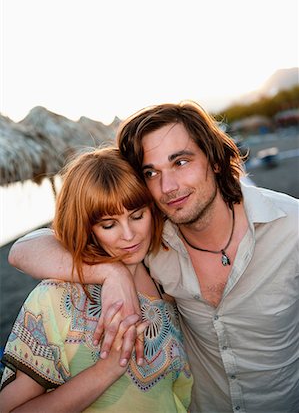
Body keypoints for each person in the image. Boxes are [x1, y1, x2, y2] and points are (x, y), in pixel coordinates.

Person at [8, 101, 299, 413]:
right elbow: (23, 249)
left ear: (214, 160)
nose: (168, 186)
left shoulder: (291, 227)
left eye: (181, 162)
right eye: (151, 172)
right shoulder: (156, 242)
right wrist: (111, 273)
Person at [1, 147, 193, 413]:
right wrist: (106, 369)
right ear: (86, 227)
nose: (129, 235)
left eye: (137, 216)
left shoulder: (167, 282)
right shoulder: (56, 298)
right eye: (108, 224)